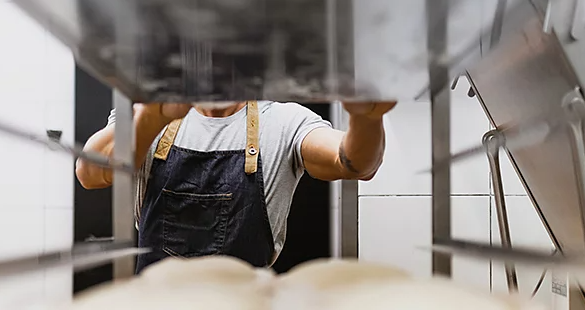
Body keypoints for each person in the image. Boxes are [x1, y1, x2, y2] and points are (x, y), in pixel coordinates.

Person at [76, 100, 395, 273]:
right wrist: (148, 120)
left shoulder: (282, 122)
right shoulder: (149, 115)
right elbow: (89, 172)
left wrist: (366, 119)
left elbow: (353, 163)